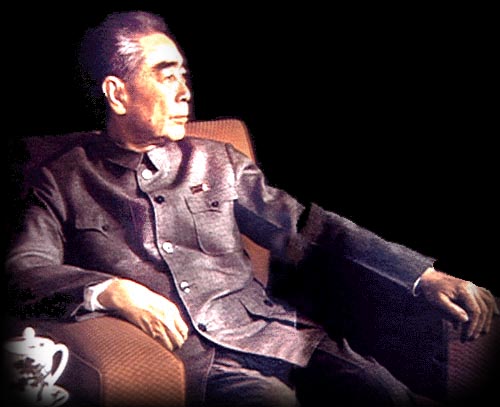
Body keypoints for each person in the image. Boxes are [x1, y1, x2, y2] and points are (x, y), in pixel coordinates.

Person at [4, 10, 498, 407]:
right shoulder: (61, 179)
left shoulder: (217, 160)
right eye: (166, 76)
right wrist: (112, 291)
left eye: (184, 76)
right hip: (197, 359)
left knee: (381, 393)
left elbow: (308, 230)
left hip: (274, 334)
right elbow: (23, 268)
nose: (185, 92)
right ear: (117, 93)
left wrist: (422, 277)